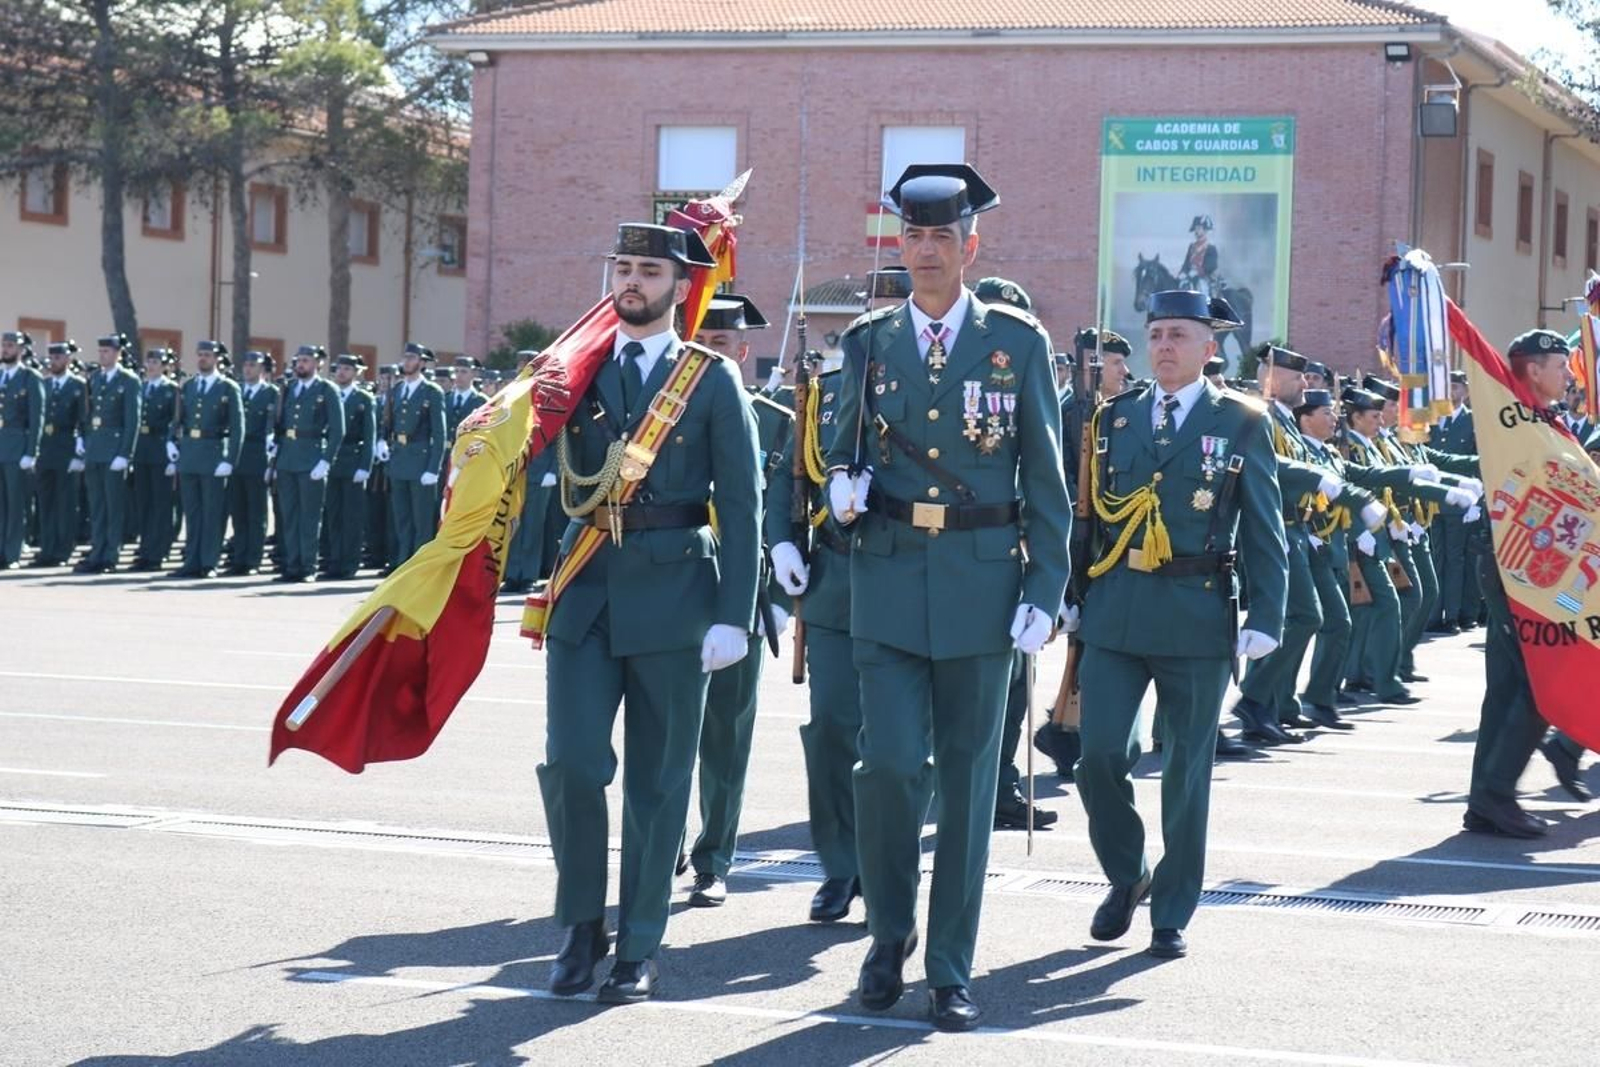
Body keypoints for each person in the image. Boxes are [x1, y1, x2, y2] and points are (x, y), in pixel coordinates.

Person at [824, 163, 1070, 1031]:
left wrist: (1046, 585)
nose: (927, 250)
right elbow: (842, 443)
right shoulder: (868, 340)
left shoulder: (1018, 343)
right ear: (900, 243)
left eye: (943, 236)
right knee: (889, 766)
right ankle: (889, 931)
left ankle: (950, 964)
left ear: (971, 246)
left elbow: (1047, 478)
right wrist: (840, 487)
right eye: (914, 235)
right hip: (888, 576)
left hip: (982, 582)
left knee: (968, 783)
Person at [539, 222, 759, 1005]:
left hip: (676, 594)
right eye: (624, 267)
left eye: (649, 270)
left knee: (659, 781)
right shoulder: (575, 368)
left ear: (681, 286)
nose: (632, 281)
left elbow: (742, 503)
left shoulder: (709, 379)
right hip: (586, 586)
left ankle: (638, 943)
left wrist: (735, 613)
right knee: (571, 762)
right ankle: (579, 923)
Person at [1074, 289, 1288, 961]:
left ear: (1208, 347)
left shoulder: (1243, 421)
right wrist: (1071, 592)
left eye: (1179, 335)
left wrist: (1268, 613)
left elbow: (1265, 525)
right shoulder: (1115, 416)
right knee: (1098, 757)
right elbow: (1090, 514)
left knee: (1186, 773)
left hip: (1197, 610)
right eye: (1157, 333)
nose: (1164, 345)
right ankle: (1127, 872)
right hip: (1116, 606)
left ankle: (1171, 909)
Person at [682, 292, 790, 908]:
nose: (707, 356)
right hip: (674, 590)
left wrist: (782, 597)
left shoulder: (775, 421)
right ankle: (664, 843)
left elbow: (787, 513)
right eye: (698, 344)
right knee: (665, 732)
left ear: (743, 352)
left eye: (719, 345)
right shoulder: (660, 419)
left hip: (741, 593)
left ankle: (714, 857)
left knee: (726, 736)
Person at [1465, 329, 1579, 837]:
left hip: (1530, 566)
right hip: (1516, 565)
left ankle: (1484, 800)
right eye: (1561, 365)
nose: (1570, 374)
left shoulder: (1542, 418)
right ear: (1534, 369)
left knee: (1509, 686)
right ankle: (1495, 795)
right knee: (1541, 683)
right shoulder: (1516, 419)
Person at [971, 275, 1057, 831]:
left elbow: (1053, 486)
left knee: (1014, 684)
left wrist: (1054, 584)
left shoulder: (1031, 382)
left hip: (1009, 553)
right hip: (945, 552)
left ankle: (999, 785)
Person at [169, 340, 243, 579]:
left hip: (213, 454)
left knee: (212, 513)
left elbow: (237, 427)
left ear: (217, 358)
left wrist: (229, 459)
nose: (202, 358)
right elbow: (179, 418)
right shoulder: (189, 386)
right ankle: (191, 561)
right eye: (200, 354)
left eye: (207, 355)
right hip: (190, 454)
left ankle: (209, 562)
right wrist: (171, 440)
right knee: (192, 512)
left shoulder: (228, 387)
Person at [271, 345, 343, 583]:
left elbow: (337, 430)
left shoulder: (326, 389)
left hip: (312, 458)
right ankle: (292, 565)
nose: (301, 364)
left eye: (306, 360)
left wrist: (326, 460)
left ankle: (308, 566)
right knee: (289, 515)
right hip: (287, 458)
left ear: (318, 364)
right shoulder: (288, 388)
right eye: (299, 360)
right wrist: (274, 442)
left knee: (310, 517)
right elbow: (278, 422)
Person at [76, 334, 141, 574]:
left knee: (113, 507)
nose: (102, 355)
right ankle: (97, 552)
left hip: (114, 451)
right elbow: (88, 413)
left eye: (107, 351)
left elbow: (132, 421)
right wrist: (84, 440)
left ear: (118, 353)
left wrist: (125, 453)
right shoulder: (96, 378)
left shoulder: (129, 380)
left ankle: (110, 555)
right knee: (97, 506)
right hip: (95, 449)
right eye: (101, 351)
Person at [381, 343, 445, 568]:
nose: (406, 361)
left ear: (422, 362)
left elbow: (439, 434)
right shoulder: (397, 390)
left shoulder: (431, 392)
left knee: (421, 521)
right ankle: (402, 563)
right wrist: (381, 440)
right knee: (402, 518)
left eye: (411, 357)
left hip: (421, 462)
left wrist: (433, 468)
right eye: (405, 357)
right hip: (399, 459)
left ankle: (419, 568)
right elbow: (387, 422)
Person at [1428, 370, 1479, 633]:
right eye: (1448, 386)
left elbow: (1480, 461)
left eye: (1456, 386)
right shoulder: (1431, 420)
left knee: (1456, 558)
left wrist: (1477, 500)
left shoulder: (1473, 421)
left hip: (1461, 500)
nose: (1451, 392)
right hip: (1433, 499)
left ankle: (1454, 614)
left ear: (1466, 391)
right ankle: (1433, 614)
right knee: (1436, 557)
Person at [32, 341, 86, 567]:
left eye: (58, 358)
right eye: (51, 358)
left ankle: (62, 551)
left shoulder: (79, 385)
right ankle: (47, 548)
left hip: (66, 448)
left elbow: (84, 421)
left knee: (65, 503)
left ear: (67, 360)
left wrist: (79, 455)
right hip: (45, 448)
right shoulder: (44, 384)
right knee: (46, 502)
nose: (53, 362)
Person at [323, 354, 375, 580]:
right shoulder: (329, 393)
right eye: (339, 368)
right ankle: (334, 560)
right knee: (333, 514)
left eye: (347, 369)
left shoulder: (363, 398)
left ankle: (350, 563)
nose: (341, 372)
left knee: (351, 517)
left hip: (353, 459)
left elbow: (370, 435)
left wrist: (365, 465)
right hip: (331, 460)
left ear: (356, 372)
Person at [129, 349, 179, 572]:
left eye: (156, 362)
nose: (151, 365)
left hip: (161, 449)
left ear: (165, 366)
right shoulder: (140, 387)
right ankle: (146, 549)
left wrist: (173, 450)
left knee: (161, 503)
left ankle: (159, 551)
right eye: (149, 361)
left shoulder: (172, 389)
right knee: (144, 502)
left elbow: (176, 421)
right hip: (142, 448)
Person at [0, 330, 45, 568]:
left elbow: (37, 418)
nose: (5, 349)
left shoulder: (30, 377)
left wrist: (31, 452)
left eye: (10, 345)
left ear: (21, 349)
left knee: (16, 504)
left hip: (17, 448)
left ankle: (12, 553)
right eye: (3, 345)